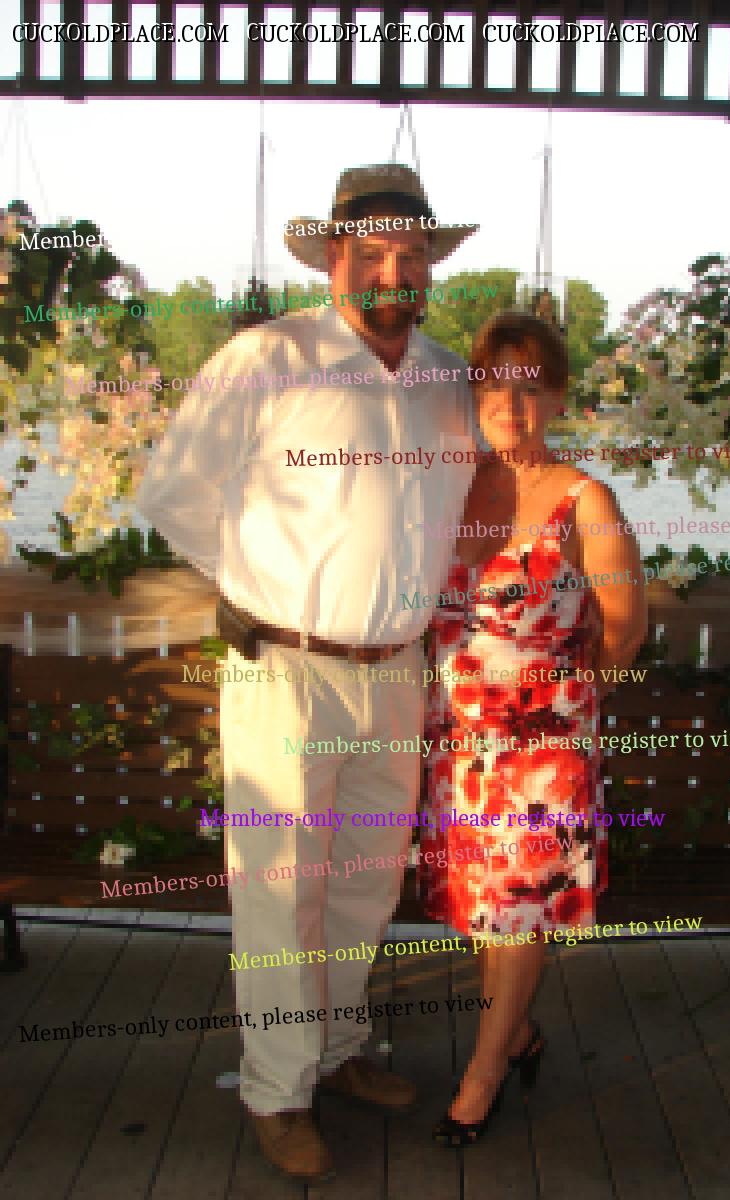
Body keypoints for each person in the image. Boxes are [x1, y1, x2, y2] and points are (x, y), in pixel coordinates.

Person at [135, 164, 478, 1183]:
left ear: (430, 267)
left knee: (366, 885)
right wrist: (265, 585)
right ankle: (277, 1091)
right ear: (333, 256)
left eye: (410, 254)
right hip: (285, 667)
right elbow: (174, 495)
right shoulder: (267, 357)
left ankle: (335, 1050)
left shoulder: (449, 376)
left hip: (397, 670)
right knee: (282, 894)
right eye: (370, 252)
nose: (391, 271)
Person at [417, 311, 648, 1146]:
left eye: (530, 386)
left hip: (541, 756)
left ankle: (482, 1077)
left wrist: (566, 708)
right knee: (484, 907)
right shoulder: (452, 484)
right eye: (493, 383)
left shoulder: (587, 500)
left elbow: (626, 625)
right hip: (459, 747)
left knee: (517, 910)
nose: (509, 404)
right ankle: (516, 1035)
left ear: (557, 398)